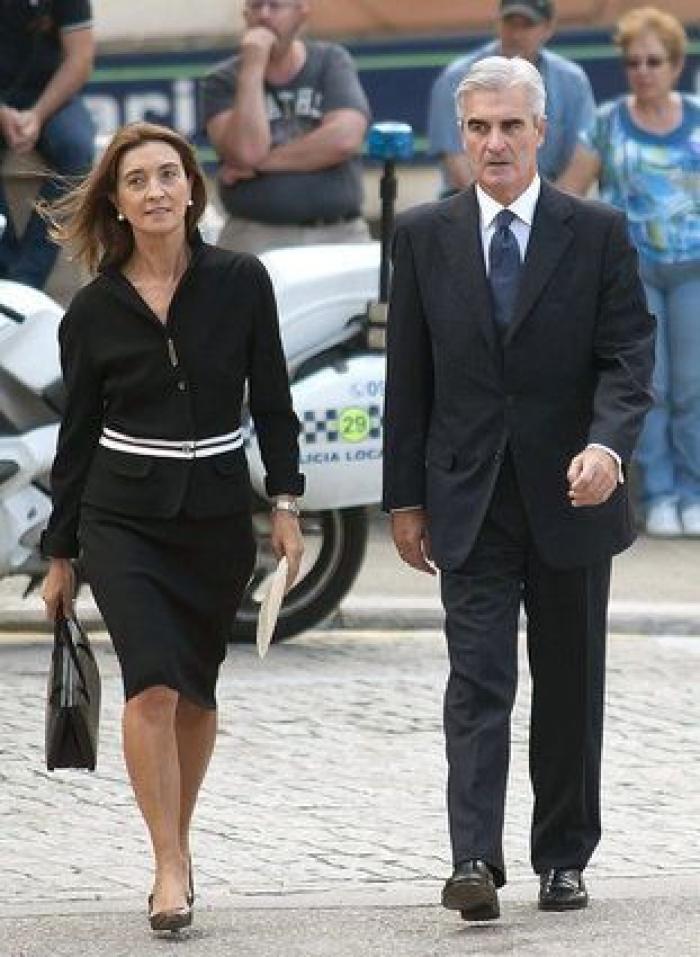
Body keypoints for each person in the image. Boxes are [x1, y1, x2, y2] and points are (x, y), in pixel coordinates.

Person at [383, 56, 654, 920]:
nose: (493, 142)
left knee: (569, 683)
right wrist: (404, 499)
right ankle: (472, 859)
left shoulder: (598, 229)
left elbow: (626, 358)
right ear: (460, 136)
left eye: (510, 125)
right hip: (468, 495)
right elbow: (408, 379)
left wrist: (607, 446)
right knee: (478, 680)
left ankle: (564, 858)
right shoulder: (424, 235)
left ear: (542, 132)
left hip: (574, 495)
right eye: (478, 127)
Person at [38, 121, 305, 933]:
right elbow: (77, 435)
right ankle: (165, 863)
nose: (155, 191)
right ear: (116, 205)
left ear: (193, 188)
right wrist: (61, 553)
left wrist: (286, 505)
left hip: (218, 514)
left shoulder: (241, 281)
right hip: (124, 517)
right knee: (151, 681)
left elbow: (274, 400)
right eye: (136, 181)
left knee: (196, 690)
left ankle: (178, 846)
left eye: (167, 175)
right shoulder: (90, 311)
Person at [558, 7, 700, 539]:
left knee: (693, 389)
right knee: (653, 387)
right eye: (633, 62)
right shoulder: (606, 121)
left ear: (676, 65)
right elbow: (569, 194)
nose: (643, 71)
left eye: (654, 61)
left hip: (693, 271)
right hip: (634, 275)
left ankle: (694, 492)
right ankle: (661, 493)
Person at [200, 0, 371, 255]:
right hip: (255, 235)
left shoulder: (331, 61)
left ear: (302, 11)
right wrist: (253, 67)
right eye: (256, 6)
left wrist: (259, 164)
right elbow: (247, 150)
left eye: (275, 5)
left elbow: (344, 139)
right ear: (245, 15)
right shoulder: (222, 80)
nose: (264, 16)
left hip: (339, 232)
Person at [428, 0, 595, 197]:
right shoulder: (456, 79)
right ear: (497, 23)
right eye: (510, 23)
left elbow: (586, 154)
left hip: (549, 204)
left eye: (527, 25)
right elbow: (456, 163)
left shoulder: (572, 81)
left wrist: (549, 214)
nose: (516, 34)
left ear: (548, 28)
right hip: (471, 206)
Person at [0, 0, 94, 289]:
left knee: (77, 149)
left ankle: (26, 278)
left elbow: (79, 59)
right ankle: (6, 266)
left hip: (52, 97)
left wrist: (37, 115)